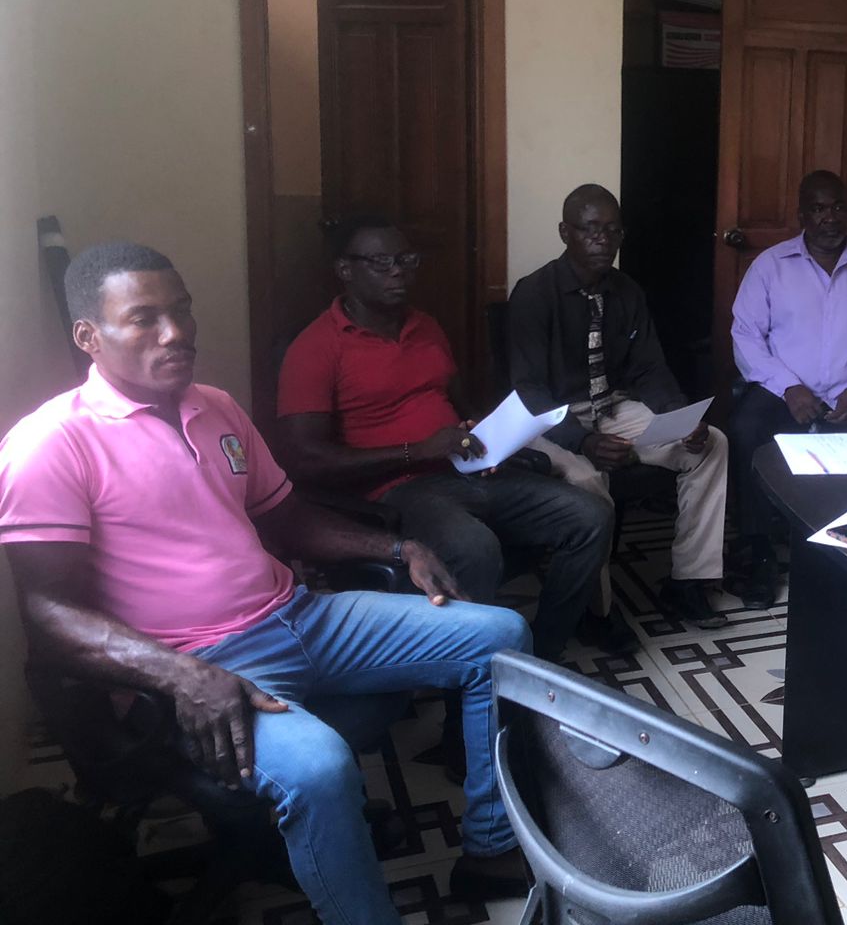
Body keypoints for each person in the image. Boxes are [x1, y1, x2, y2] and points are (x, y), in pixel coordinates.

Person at [0, 242, 531, 922]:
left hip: (300, 615)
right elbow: (49, 613)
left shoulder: (216, 407)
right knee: (319, 768)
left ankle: (489, 848)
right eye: (144, 318)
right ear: (88, 337)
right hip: (199, 662)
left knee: (500, 636)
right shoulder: (51, 443)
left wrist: (399, 547)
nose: (176, 332)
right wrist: (183, 675)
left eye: (182, 310)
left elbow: (286, 517)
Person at [276, 215, 624, 658]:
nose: (398, 271)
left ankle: (541, 651)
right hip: (399, 490)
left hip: (467, 470)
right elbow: (306, 460)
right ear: (346, 270)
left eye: (406, 260)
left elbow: (462, 406)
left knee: (590, 516)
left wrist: (485, 436)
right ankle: (469, 670)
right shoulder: (314, 348)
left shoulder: (426, 327)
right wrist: (416, 452)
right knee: (474, 547)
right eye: (381, 262)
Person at [507, 185, 730, 629]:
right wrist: (583, 441)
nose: (602, 240)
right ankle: (598, 609)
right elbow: (529, 392)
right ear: (565, 232)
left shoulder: (626, 291)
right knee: (585, 479)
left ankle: (689, 581)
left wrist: (679, 417)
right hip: (551, 420)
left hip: (612, 407)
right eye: (590, 229)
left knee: (711, 445)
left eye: (612, 231)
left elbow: (649, 368)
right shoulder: (533, 294)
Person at [727, 169, 847, 605]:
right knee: (745, 430)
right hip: (784, 391)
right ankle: (758, 551)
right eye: (818, 208)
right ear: (802, 215)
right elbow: (746, 337)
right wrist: (789, 387)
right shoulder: (769, 267)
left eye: (838, 207)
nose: (830, 217)